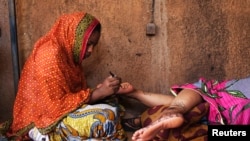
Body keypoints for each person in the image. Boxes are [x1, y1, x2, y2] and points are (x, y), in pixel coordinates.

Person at [4, 12, 131, 141]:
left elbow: (71, 96)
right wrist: (98, 93)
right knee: (107, 116)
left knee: (114, 103)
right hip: (43, 122)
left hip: (63, 111)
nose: (91, 50)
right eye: (88, 44)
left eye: (94, 45)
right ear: (73, 36)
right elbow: (54, 108)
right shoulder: (49, 55)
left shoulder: (70, 57)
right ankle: (44, 137)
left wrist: (102, 91)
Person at [119, 77, 250, 141]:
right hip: (224, 115)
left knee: (202, 93)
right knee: (201, 96)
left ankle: (172, 110)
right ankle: (172, 110)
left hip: (217, 102)